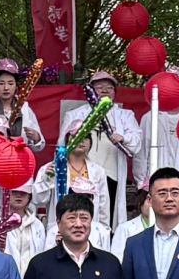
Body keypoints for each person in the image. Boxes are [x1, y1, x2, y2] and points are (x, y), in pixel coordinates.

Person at [59, 70, 142, 222]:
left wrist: (124, 138)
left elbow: (137, 143)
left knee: (107, 215)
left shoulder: (125, 115)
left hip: (112, 174)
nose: (105, 90)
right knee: (78, 213)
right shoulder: (75, 114)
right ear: (90, 91)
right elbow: (62, 144)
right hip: (82, 172)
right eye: (99, 87)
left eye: (109, 88)